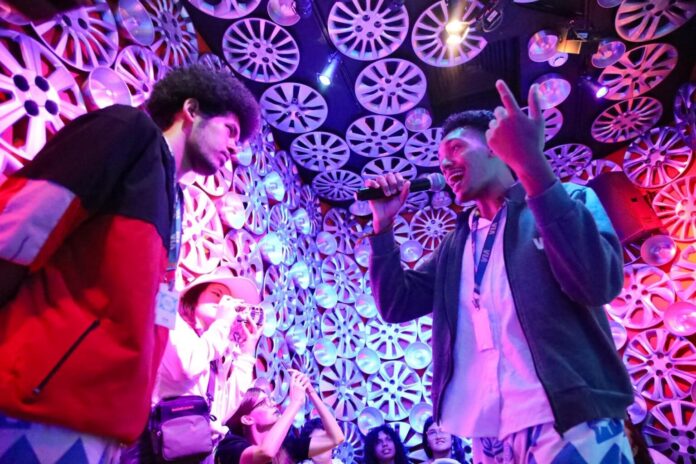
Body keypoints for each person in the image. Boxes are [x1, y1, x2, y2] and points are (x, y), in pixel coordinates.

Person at [0, 64, 260, 462]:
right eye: (230, 130)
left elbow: (160, 310)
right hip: (39, 400)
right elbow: (27, 218)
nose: (234, 148)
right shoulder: (128, 131)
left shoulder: (176, 201)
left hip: (105, 420)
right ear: (191, 110)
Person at [365, 80, 634, 463]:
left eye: (456, 148)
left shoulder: (569, 199)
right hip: (488, 432)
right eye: (440, 159)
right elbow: (396, 304)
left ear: (497, 148)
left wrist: (533, 167)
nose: (445, 164)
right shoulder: (454, 246)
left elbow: (598, 281)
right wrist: (382, 228)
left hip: (572, 418)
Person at [120, 267, 264, 463]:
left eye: (230, 301)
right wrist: (222, 323)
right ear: (194, 298)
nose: (224, 303)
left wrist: (247, 353)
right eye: (217, 294)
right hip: (152, 448)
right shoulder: (173, 324)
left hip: (192, 454)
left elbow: (221, 411)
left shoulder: (214, 352)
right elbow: (186, 367)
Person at [216, 371, 344, 464]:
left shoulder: (287, 447)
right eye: (264, 403)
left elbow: (336, 438)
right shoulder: (230, 446)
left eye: (271, 400)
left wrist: (311, 392)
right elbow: (265, 453)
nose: (273, 404)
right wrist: (295, 403)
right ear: (247, 419)